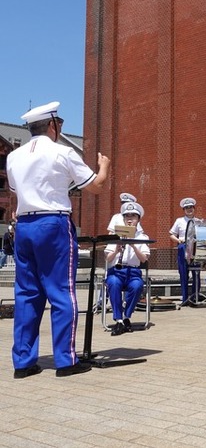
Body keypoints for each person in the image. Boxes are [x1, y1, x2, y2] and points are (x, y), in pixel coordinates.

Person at [7, 101, 110, 378]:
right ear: (52, 125)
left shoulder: (13, 156)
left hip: (25, 224)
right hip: (53, 223)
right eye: (60, 124)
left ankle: (23, 362)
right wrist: (104, 167)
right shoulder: (62, 151)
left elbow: (16, 192)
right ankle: (65, 359)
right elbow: (97, 187)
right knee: (62, 290)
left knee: (27, 293)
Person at [104, 202, 150, 336]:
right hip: (116, 271)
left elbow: (144, 259)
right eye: (127, 216)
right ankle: (118, 319)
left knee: (137, 286)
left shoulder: (143, 237)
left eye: (133, 216)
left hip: (133, 272)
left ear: (138, 219)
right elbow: (108, 259)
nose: (129, 219)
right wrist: (117, 249)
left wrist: (134, 245)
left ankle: (126, 316)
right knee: (113, 283)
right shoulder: (115, 236)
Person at [169, 197, 202, 305]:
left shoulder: (199, 222)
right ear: (184, 210)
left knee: (196, 273)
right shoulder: (179, 221)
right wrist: (178, 240)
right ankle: (185, 298)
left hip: (196, 249)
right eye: (186, 208)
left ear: (194, 208)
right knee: (183, 273)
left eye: (191, 207)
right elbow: (171, 234)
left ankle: (194, 297)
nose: (189, 209)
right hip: (183, 247)